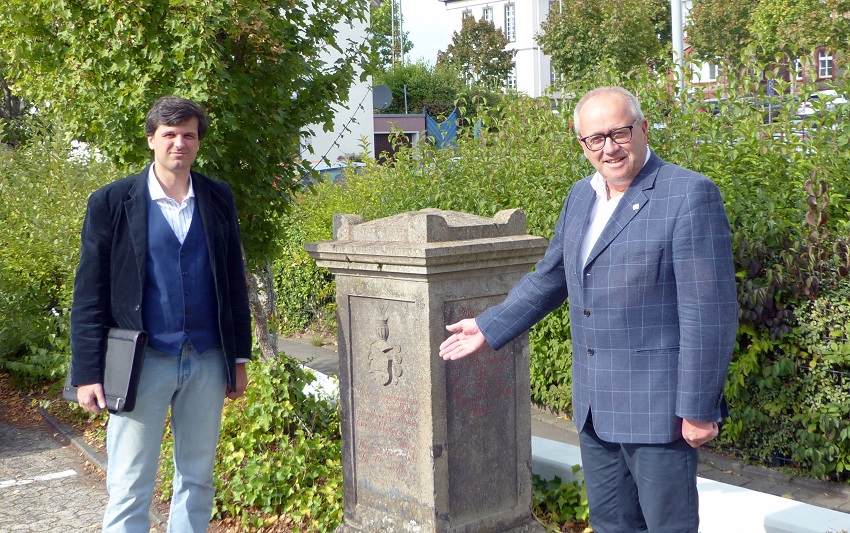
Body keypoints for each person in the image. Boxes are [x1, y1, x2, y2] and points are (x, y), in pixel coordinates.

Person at [439, 86, 738, 532]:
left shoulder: (688, 194)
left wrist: (699, 407)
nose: (609, 148)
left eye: (618, 133)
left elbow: (709, 313)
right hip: (596, 408)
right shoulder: (581, 196)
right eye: (594, 139)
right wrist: (489, 325)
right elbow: (551, 276)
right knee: (611, 524)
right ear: (582, 144)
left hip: (660, 413)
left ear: (642, 129)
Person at [70, 95, 252, 532]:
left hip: (206, 358)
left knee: (197, 478)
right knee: (130, 482)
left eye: (188, 135)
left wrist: (238, 359)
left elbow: (232, 281)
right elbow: (90, 292)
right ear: (151, 139)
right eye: (169, 134)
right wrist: (87, 372)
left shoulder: (217, 196)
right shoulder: (112, 202)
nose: (179, 143)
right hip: (141, 360)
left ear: (197, 143)